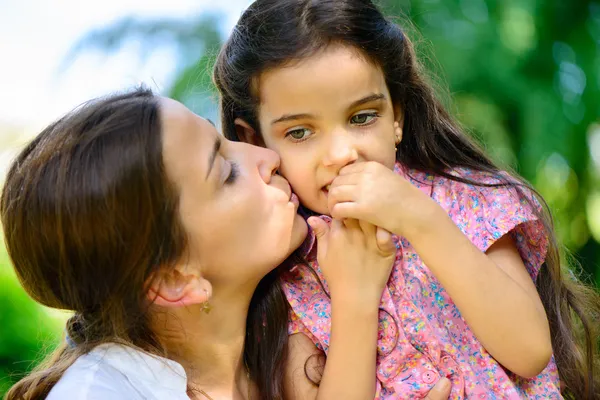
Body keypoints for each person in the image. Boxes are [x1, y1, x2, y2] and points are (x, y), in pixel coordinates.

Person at [213, 0, 600, 398]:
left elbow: (530, 351)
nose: (343, 153)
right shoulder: (284, 277)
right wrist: (354, 299)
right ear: (255, 140)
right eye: (300, 132)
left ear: (395, 115)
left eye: (362, 117)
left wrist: (421, 220)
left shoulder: (459, 198)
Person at [2, 88, 453, 400]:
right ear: (175, 279)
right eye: (226, 173)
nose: (267, 156)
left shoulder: (295, 327)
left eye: (225, 143)